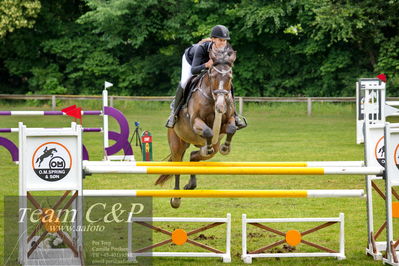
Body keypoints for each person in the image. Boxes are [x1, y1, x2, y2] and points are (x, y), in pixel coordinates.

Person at [165, 25, 247, 129]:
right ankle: (174, 114)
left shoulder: (227, 50)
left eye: (225, 41)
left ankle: (235, 115)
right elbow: (194, 70)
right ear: (213, 39)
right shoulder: (201, 49)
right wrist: (206, 65)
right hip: (191, 61)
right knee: (185, 82)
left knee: (228, 82)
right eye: (220, 40)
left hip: (210, 66)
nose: (223, 43)